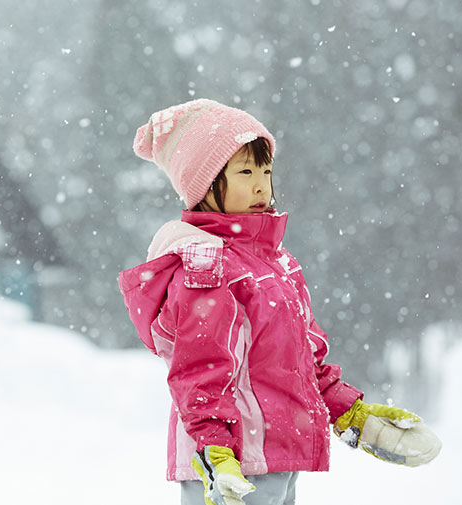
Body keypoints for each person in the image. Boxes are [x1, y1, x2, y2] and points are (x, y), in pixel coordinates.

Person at [117, 99, 441, 505]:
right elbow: (199, 371)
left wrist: (355, 416)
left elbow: (304, 363)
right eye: (246, 171)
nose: (261, 186)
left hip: (275, 461)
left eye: (266, 171)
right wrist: (215, 451)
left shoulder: (274, 263)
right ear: (204, 185)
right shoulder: (206, 264)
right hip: (233, 467)